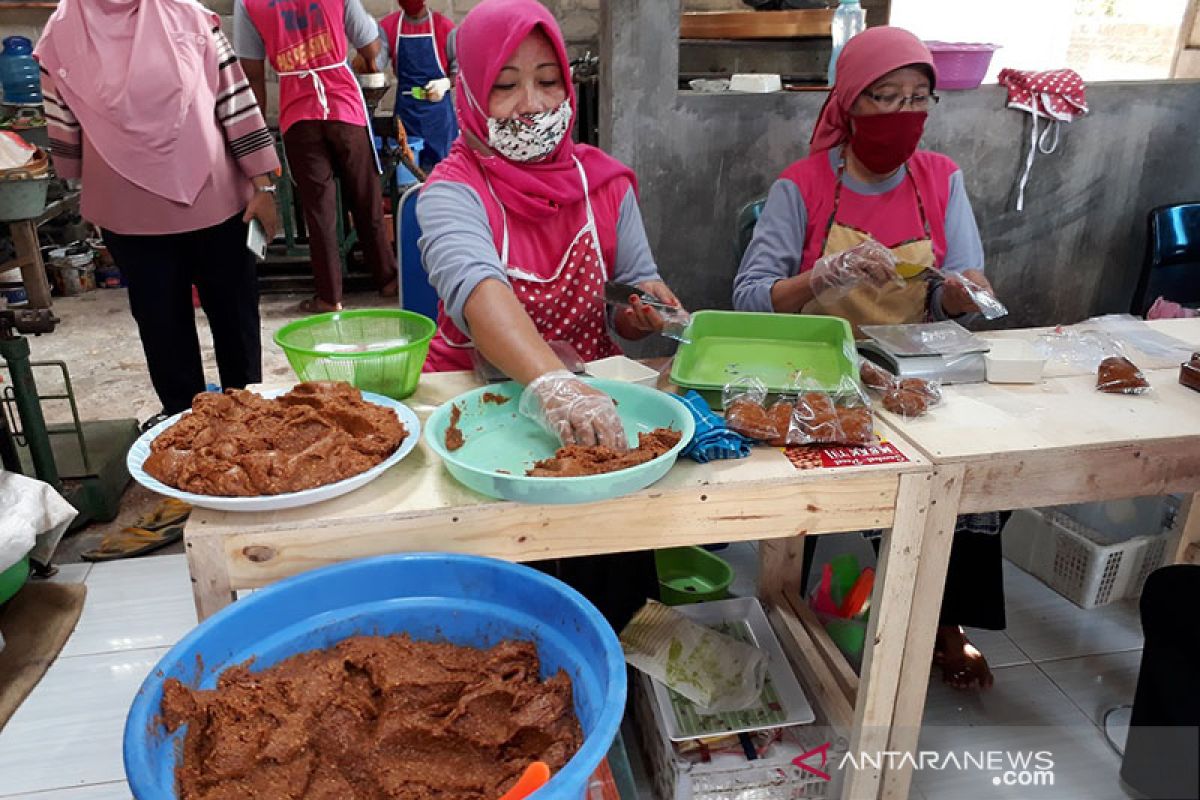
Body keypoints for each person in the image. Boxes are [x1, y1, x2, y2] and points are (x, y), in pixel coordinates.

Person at [733, 26, 1005, 689]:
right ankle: (793, 603)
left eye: (917, 98)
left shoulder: (941, 180)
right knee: (821, 494)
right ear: (849, 104)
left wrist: (966, 294)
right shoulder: (801, 188)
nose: (901, 116)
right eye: (883, 97)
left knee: (966, 481)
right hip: (818, 374)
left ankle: (947, 619)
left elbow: (955, 291)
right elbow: (746, 298)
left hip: (909, 371)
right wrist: (822, 277)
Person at [417, 0, 683, 628]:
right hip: (476, 422)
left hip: (592, 415)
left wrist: (646, 314)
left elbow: (630, 291)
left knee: (618, 600)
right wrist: (552, 384)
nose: (532, 104)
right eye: (505, 86)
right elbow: (480, 292)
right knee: (506, 621)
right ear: (472, 96)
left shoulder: (606, 184)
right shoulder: (451, 192)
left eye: (548, 80)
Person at [36, 0, 280, 423]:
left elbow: (64, 129)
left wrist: (83, 174)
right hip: (216, 200)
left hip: (128, 210)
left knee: (162, 324)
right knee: (232, 315)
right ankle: (246, 420)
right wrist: (263, 183)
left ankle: (186, 427)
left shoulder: (61, 33)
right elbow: (235, 102)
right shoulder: (186, 15)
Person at [235, 0, 397, 313]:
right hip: (344, 106)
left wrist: (259, 139)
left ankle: (329, 296)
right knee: (366, 196)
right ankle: (388, 279)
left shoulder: (248, 4)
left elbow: (252, 74)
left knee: (318, 208)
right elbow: (371, 47)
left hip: (297, 114)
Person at [379, 0, 459, 171]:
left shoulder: (444, 28)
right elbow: (376, 63)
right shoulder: (389, 27)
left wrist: (445, 83)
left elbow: (460, 69)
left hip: (438, 121)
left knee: (443, 172)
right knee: (408, 173)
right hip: (406, 117)